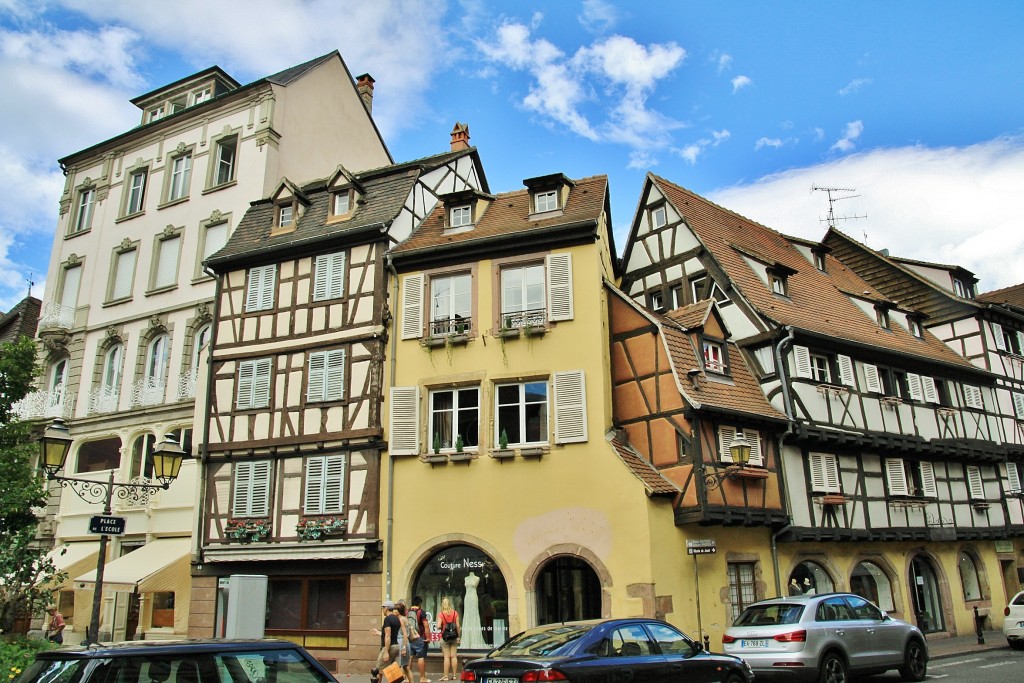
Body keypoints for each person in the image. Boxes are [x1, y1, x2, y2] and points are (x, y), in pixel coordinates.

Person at [371, 600, 401, 683]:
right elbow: (391, 634)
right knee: (393, 671)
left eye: (383, 607)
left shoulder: (387, 619)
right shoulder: (396, 619)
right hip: (396, 646)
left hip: (389, 647)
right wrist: (379, 633)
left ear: (387, 608)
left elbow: (388, 635)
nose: (382, 609)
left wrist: (386, 651)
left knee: (377, 670)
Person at [436, 596, 460, 681]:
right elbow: (457, 626)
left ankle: (446, 676)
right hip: (454, 636)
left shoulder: (441, 614)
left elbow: (438, 626)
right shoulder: (455, 613)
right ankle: (454, 675)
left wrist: (442, 626)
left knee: (446, 657)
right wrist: (458, 636)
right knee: (453, 656)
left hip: (445, 637)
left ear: (443, 604)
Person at [408, 596, 431, 683]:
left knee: (409, 657)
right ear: (420, 603)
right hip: (419, 637)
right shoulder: (421, 612)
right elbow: (426, 626)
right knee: (420, 657)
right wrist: (428, 637)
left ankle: (407, 678)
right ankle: (422, 678)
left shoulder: (407, 611)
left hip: (410, 638)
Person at [395, 602, 414, 683]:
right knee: (406, 667)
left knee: (399, 666)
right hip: (407, 643)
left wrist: (403, 648)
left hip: (402, 642)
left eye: (395, 609)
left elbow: (405, 634)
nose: (393, 611)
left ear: (398, 611)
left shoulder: (400, 619)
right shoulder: (405, 618)